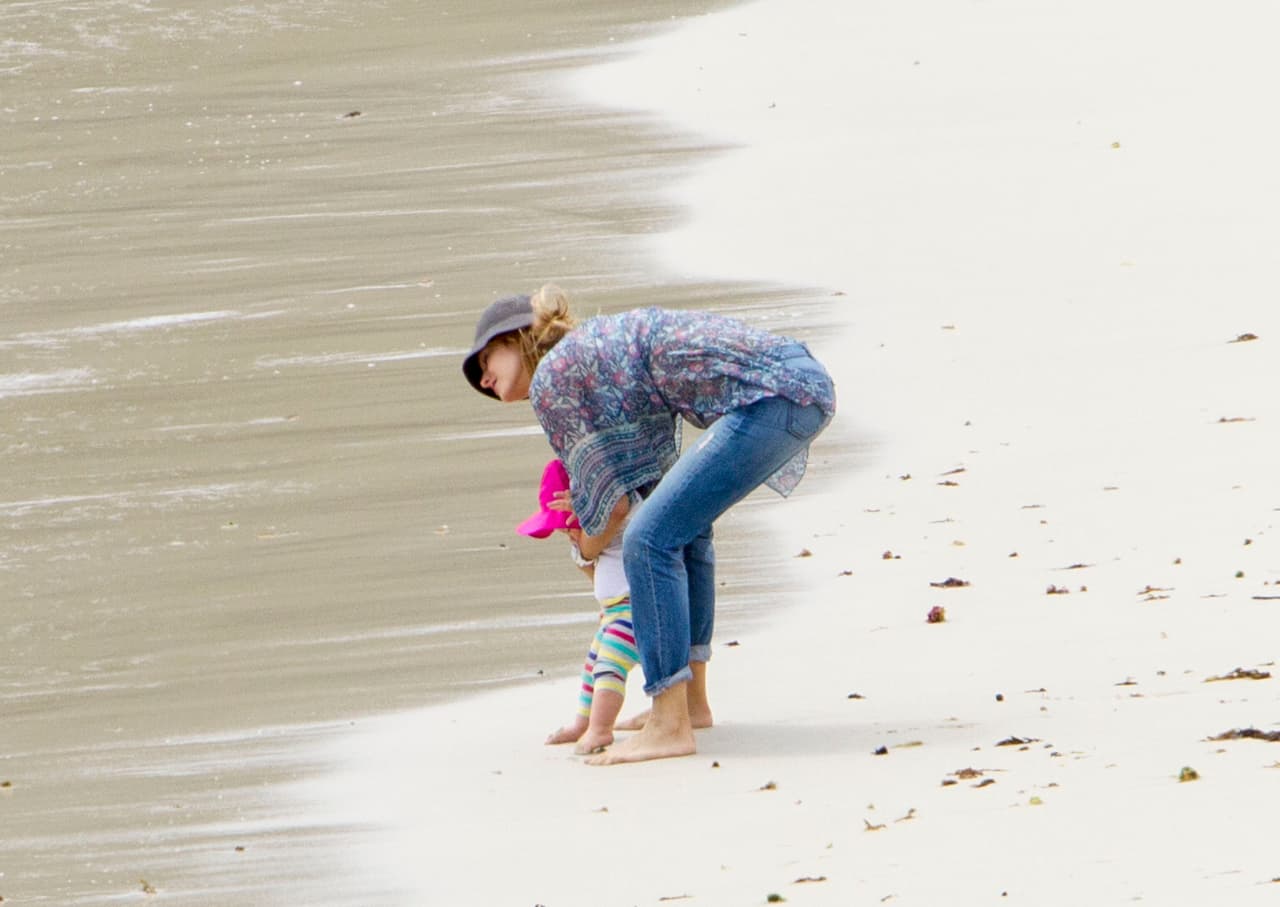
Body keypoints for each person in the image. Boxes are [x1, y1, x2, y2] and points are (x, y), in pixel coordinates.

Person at [462, 285, 836, 764]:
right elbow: (650, 483)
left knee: (649, 540)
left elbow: (617, 507)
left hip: (774, 396)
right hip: (797, 382)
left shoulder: (553, 376)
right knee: (683, 530)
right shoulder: (588, 360)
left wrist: (584, 547)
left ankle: (670, 722)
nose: (484, 379)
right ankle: (692, 704)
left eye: (486, 360)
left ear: (518, 340)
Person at [517, 458, 639, 755]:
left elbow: (620, 509)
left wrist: (586, 514)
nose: (566, 532)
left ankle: (600, 729)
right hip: (612, 613)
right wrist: (579, 546)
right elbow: (596, 577)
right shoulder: (587, 542)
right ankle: (582, 723)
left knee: (609, 668)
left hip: (635, 609)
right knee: (591, 668)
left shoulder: (624, 517)